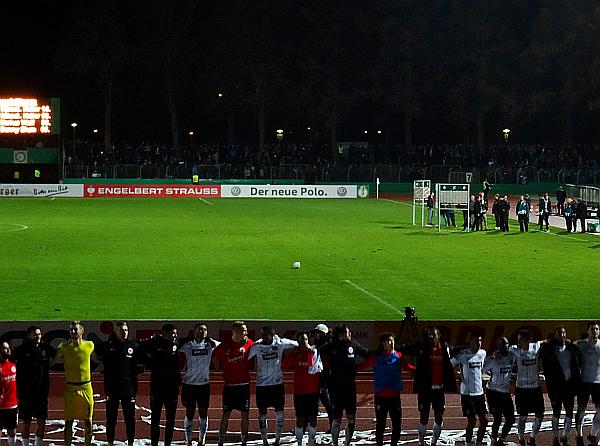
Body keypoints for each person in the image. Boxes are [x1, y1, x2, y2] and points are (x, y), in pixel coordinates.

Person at [401, 327, 456, 446]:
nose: (431, 338)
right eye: (429, 337)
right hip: (425, 389)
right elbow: (404, 349)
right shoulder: (421, 347)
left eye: (434, 336)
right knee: (424, 418)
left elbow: (455, 350)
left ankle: (434, 441)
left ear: (438, 336)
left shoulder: (444, 348)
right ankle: (421, 441)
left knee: (439, 417)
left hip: (439, 389)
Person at [320, 325, 370, 446]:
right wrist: (326, 367)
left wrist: (359, 367)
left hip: (350, 387)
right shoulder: (331, 346)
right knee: (337, 417)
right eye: (347, 332)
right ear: (341, 335)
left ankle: (347, 443)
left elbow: (368, 354)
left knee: (351, 417)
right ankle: (335, 443)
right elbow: (318, 353)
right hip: (335, 387)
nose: (350, 334)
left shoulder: (353, 345)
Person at [249, 326, 298, 446]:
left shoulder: (280, 343)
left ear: (272, 335)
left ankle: (277, 439)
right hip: (262, 385)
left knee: (280, 413)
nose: (263, 337)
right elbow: (246, 356)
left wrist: (292, 352)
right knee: (262, 414)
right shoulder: (257, 346)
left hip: (277, 384)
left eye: (266, 334)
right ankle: (264, 440)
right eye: (262, 334)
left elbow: (296, 344)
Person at [98, 322, 141, 446]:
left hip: (128, 388)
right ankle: (110, 443)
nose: (124, 332)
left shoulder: (133, 345)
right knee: (111, 419)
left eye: (126, 330)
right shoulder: (107, 345)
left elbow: (143, 358)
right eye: (121, 330)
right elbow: (91, 352)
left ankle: (130, 443)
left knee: (130, 419)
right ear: (115, 332)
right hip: (112, 389)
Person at [12, 326, 56, 446]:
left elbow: (57, 355)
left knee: (41, 421)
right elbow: (10, 362)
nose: (37, 336)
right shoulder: (20, 350)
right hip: (26, 392)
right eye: (34, 334)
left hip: (41, 392)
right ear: (28, 335)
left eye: (39, 334)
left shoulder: (46, 348)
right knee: (26, 422)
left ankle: (38, 444)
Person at [139, 323, 181, 446]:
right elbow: (139, 348)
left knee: (170, 420)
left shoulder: (176, 343)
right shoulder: (154, 343)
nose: (175, 336)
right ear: (165, 334)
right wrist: (149, 362)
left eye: (175, 333)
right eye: (172, 333)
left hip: (172, 388)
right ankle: (154, 444)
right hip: (157, 387)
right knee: (155, 420)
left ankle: (168, 444)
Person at [55, 321, 96, 446]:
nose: (73, 332)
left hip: (86, 387)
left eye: (75, 329)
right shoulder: (63, 347)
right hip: (70, 388)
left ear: (82, 331)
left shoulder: (89, 345)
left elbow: (96, 359)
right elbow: (54, 360)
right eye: (71, 330)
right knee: (69, 421)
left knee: (88, 420)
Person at [213, 321, 254, 446]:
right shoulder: (224, 345)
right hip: (229, 386)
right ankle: (221, 440)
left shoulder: (249, 343)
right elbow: (213, 355)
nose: (245, 333)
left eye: (246, 330)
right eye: (243, 331)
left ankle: (244, 441)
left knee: (245, 414)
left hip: (244, 385)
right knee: (225, 414)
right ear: (235, 332)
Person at [179, 323, 220, 446]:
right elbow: (175, 346)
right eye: (200, 329)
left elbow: (222, 345)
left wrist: (211, 340)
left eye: (205, 330)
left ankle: (202, 439)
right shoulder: (188, 345)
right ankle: (188, 440)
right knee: (189, 413)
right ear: (194, 331)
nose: (203, 332)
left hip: (204, 384)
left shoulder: (210, 345)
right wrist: (186, 339)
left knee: (203, 413)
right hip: (189, 384)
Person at [539, 326, 581, 446]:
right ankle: (555, 438)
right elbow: (540, 356)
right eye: (559, 333)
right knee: (556, 413)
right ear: (555, 335)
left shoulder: (571, 348)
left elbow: (578, 361)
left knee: (569, 413)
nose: (562, 335)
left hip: (569, 386)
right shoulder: (549, 350)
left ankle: (564, 436)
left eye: (564, 333)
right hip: (555, 387)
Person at [283, 331, 322, 446]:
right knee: (300, 419)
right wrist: (290, 353)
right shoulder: (295, 355)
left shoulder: (314, 352)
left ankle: (310, 443)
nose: (303, 342)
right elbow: (283, 365)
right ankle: (299, 442)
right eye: (300, 340)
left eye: (305, 339)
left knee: (313, 419)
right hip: (299, 392)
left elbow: (317, 368)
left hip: (313, 392)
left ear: (308, 340)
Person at [364, 332, 404, 446]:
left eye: (392, 341)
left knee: (397, 425)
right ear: (383, 343)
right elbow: (363, 365)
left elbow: (408, 367)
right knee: (380, 425)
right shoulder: (376, 357)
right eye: (388, 341)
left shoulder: (399, 356)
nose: (391, 343)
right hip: (381, 397)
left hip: (394, 397)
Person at [451, 333, 488, 446]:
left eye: (480, 341)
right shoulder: (463, 355)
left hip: (479, 393)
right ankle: (467, 443)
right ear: (470, 342)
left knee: (484, 421)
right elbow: (449, 364)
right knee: (472, 421)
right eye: (476, 341)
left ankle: (478, 442)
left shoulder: (483, 353)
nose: (478, 343)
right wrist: (456, 375)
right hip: (467, 394)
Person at [509, 330, 545, 446]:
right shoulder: (514, 349)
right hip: (521, 388)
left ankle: (532, 438)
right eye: (518, 340)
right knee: (523, 417)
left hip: (535, 388)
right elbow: (504, 352)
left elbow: (548, 341)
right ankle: (521, 439)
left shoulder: (536, 346)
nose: (518, 342)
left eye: (521, 340)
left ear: (528, 340)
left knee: (540, 415)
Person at [483, 337, 516, 446]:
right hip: (493, 392)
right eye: (501, 345)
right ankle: (493, 440)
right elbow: (481, 369)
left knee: (511, 419)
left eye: (505, 344)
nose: (504, 347)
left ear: (508, 344)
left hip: (505, 392)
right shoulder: (493, 360)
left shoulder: (512, 356)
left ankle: (501, 439)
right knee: (497, 419)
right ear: (498, 347)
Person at [574, 321, 600, 446]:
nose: (594, 331)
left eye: (596, 329)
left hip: (598, 382)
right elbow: (568, 346)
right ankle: (579, 436)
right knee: (581, 410)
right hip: (584, 382)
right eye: (592, 329)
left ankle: (593, 434)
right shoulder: (580, 344)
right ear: (588, 331)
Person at [312, 323, 334, 431]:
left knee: (327, 402)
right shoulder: (320, 343)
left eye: (318, 333)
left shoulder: (328, 345)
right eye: (316, 333)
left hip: (325, 376)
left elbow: (327, 365)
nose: (316, 335)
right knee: (313, 403)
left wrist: (323, 383)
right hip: (318, 374)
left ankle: (333, 425)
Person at [0, 342, 18, 446]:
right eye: (3, 349)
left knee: (12, 432)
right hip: (0, 406)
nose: (6, 351)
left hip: (12, 405)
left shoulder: (13, 364)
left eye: (7, 349)